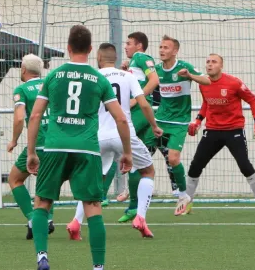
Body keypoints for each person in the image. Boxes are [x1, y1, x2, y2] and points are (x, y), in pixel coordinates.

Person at [26, 25, 133, 270]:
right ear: (91, 49)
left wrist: (32, 152)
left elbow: (34, 116)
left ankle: (42, 255)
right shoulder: (99, 79)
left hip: (54, 147)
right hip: (87, 149)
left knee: (42, 201)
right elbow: (121, 119)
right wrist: (126, 152)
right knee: (93, 206)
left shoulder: (53, 75)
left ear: (69, 47)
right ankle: (98, 267)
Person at [66, 43, 162, 241]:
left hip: (98, 136)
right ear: (116, 58)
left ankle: (76, 222)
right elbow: (143, 102)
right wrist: (153, 125)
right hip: (123, 133)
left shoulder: (93, 78)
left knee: (94, 181)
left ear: (99, 58)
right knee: (148, 171)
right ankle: (141, 218)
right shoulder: (128, 76)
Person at [186, 54, 255, 215]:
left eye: (214, 62)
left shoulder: (234, 83)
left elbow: (253, 100)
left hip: (234, 131)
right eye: (207, 62)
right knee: (195, 166)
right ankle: (187, 204)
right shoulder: (203, 84)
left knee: (244, 166)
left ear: (221, 66)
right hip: (212, 130)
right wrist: (197, 120)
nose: (209, 65)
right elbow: (206, 103)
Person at [116, 32, 176, 223]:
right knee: (136, 160)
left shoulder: (142, 57)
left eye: (129, 43)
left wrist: (137, 98)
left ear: (139, 46)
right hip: (139, 113)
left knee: (116, 143)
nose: (125, 46)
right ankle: (134, 206)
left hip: (140, 112)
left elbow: (154, 80)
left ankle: (101, 196)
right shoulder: (133, 63)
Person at [154, 35, 211, 216]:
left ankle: (183, 195)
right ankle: (133, 195)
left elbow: (208, 80)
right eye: (161, 47)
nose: (162, 50)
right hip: (160, 119)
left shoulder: (184, 67)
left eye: (166, 47)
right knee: (138, 150)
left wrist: (190, 76)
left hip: (179, 122)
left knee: (173, 158)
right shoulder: (155, 70)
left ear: (175, 51)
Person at [6, 54, 54, 240]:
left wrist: (14, 140)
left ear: (24, 69)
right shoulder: (51, 84)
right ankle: (47, 219)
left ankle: (34, 218)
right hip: (57, 141)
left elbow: (19, 118)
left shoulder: (22, 89)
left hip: (39, 142)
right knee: (47, 183)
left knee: (15, 179)